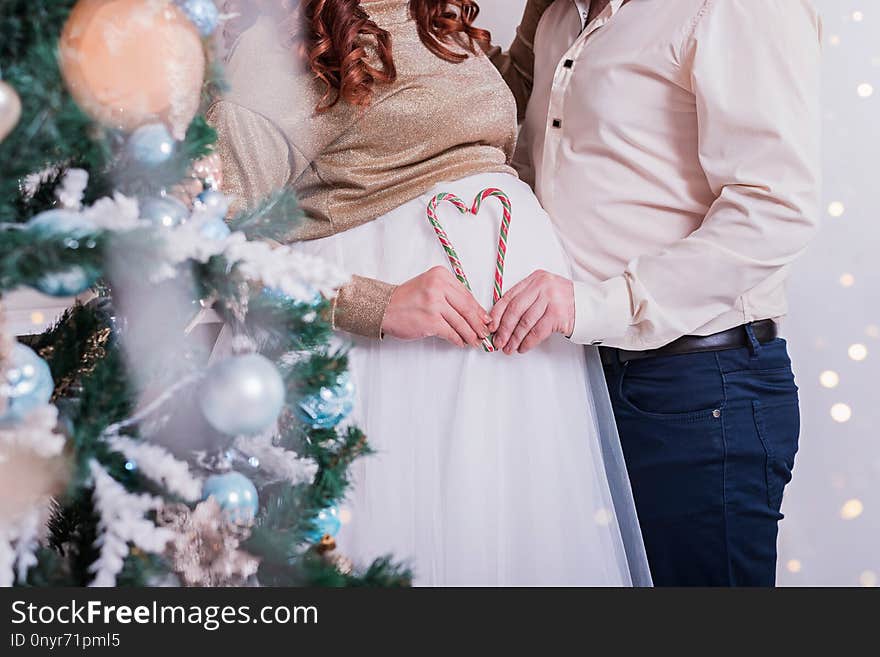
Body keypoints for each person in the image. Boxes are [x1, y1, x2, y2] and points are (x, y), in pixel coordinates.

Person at [209, 0, 650, 586]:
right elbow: (198, 245)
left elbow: (489, 110)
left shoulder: (435, 17)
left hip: (516, 374)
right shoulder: (286, 44)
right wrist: (372, 303)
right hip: (384, 371)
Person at [488, 0, 821, 586]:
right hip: (569, 384)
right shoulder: (559, 17)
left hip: (699, 387)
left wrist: (597, 304)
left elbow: (774, 209)